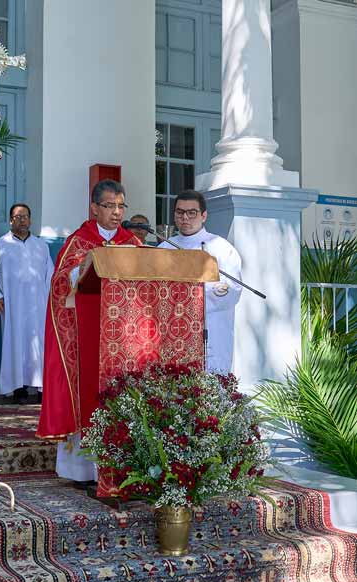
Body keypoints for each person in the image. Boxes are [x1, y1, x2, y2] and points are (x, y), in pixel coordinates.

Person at [37, 179, 141, 482]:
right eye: (109, 205)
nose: (117, 212)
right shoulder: (79, 241)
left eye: (121, 206)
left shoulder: (133, 244)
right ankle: (81, 471)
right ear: (94, 208)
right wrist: (81, 268)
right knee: (88, 392)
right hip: (86, 332)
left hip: (121, 336)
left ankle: (123, 469)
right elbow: (60, 284)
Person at [158, 190, 242, 374]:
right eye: (180, 212)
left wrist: (192, 298)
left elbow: (232, 290)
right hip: (173, 330)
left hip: (210, 329)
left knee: (209, 383)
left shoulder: (221, 248)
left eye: (192, 213)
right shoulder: (165, 248)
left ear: (204, 216)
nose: (185, 218)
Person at [0, 203, 54, 403]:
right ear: (10, 220)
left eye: (25, 216)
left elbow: (50, 275)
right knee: (15, 345)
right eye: (17, 217)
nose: (22, 220)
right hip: (12, 306)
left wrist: (50, 301)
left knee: (39, 345)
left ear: (30, 220)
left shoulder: (41, 246)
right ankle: (18, 389)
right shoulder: (0, 245)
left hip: (38, 305)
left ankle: (41, 388)